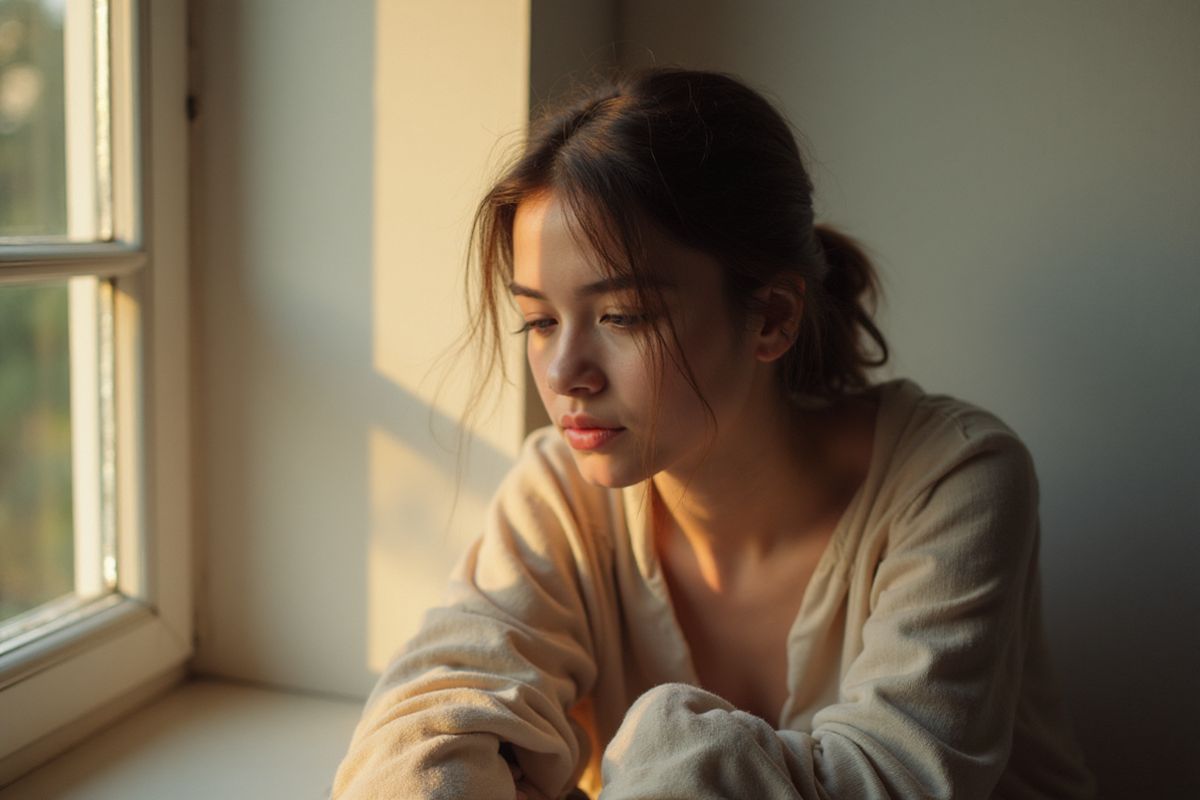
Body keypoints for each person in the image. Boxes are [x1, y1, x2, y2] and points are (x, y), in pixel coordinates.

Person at [333, 67, 1094, 799]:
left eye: (621, 316)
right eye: (538, 320)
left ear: (772, 317)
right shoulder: (559, 493)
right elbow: (428, 725)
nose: (565, 374)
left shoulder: (952, 482)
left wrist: (674, 751)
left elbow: (898, 781)